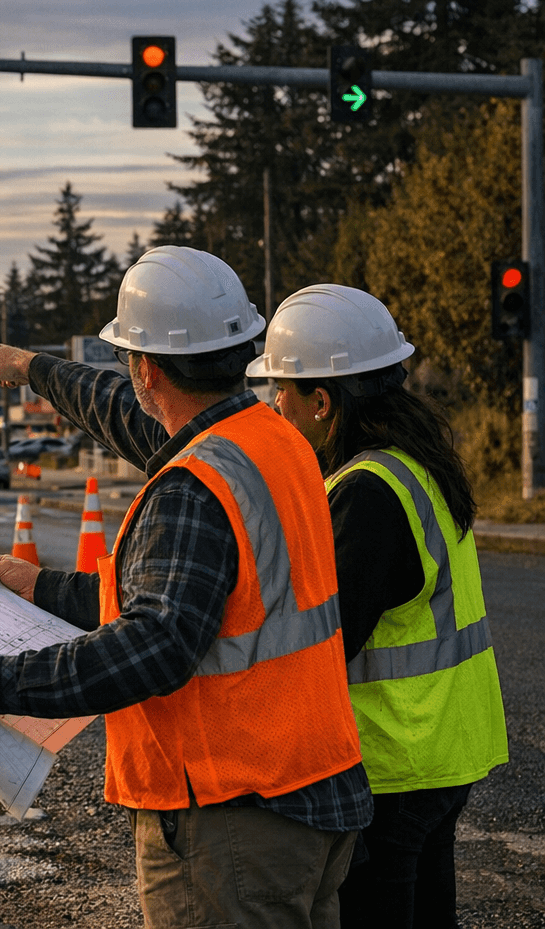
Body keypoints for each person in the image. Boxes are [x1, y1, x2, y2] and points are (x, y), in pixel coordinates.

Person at [0, 245, 372, 929]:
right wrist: (43, 586)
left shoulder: (193, 486)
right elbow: (205, 602)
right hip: (312, 794)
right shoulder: (273, 440)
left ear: (146, 368)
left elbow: (157, 644)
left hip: (234, 817)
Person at [246, 284, 508, 929]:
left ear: (324, 402)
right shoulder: (420, 465)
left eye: (283, 391)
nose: (275, 406)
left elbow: (325, 639)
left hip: (397, 758)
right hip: (447, 745)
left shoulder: (367, 492)